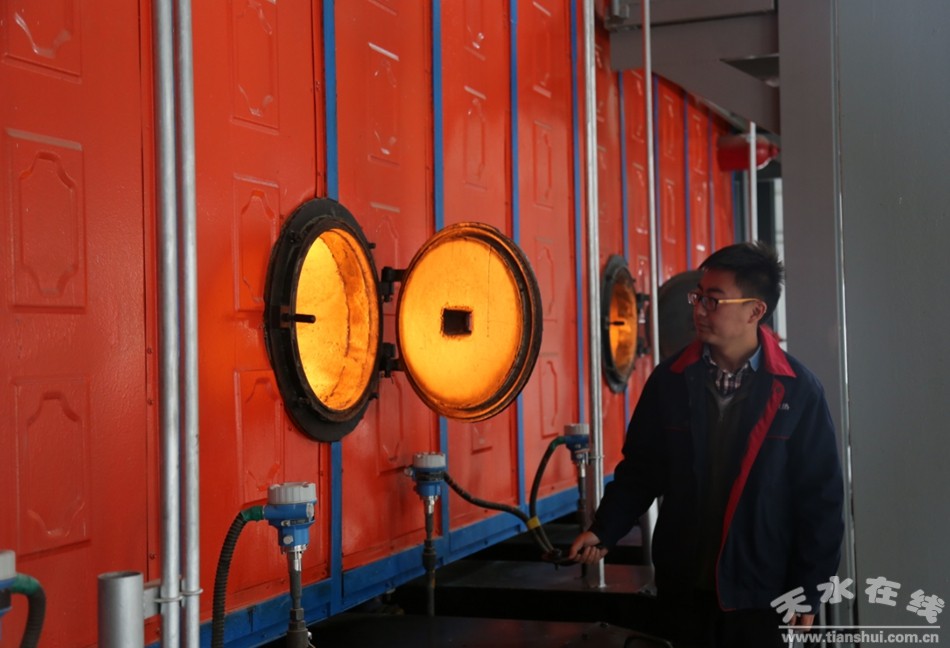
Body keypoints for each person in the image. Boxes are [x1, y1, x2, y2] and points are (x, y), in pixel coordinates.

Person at [569, 242, 844, 648]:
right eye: (697, 297)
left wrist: (809, 587)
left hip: (761, 596)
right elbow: (642, 471)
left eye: (713, 300)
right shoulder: (670, 381)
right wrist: (604, 529)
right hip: (683, 591)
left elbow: (820, 501)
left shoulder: (798, 391)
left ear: (755, 311)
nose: (698, 310)